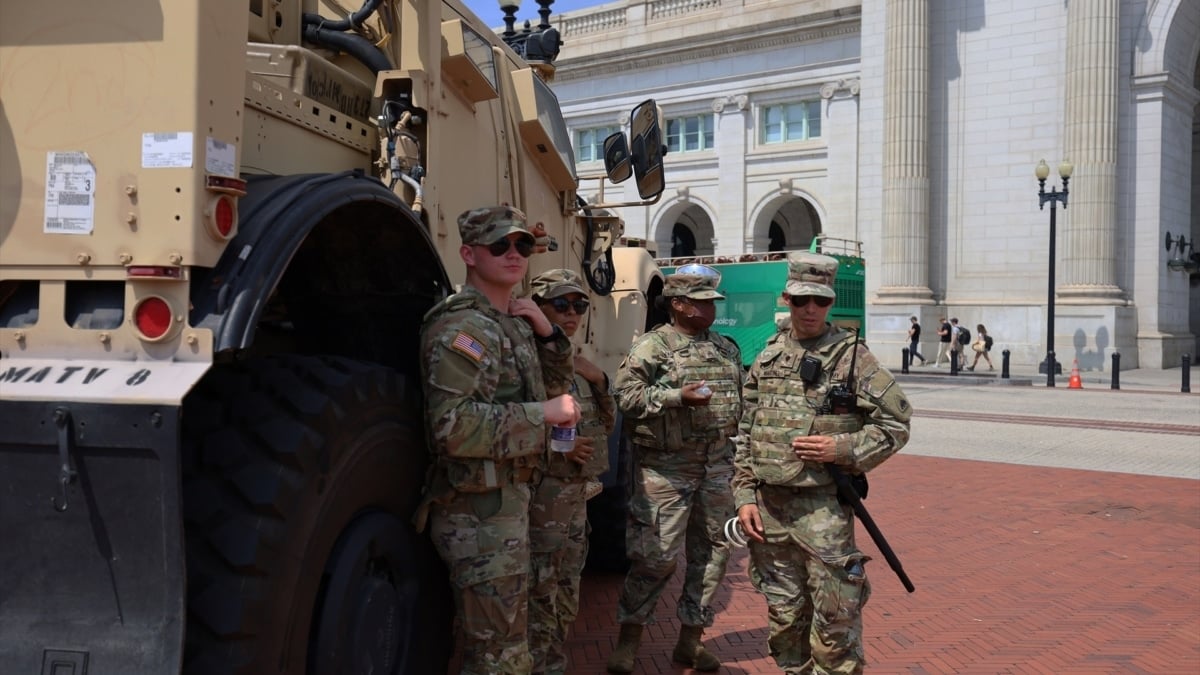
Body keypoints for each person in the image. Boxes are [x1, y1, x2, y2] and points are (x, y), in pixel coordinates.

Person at [415, 206, 581, 675]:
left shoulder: (508, 319)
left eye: (523, 245)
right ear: (469, 253)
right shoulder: (463, 328)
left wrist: (547, 334)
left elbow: (552, 385)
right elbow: (451, 427)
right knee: (499, 657)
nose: (514, 254)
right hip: (478, 511)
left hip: (508, 501)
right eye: (499, 245)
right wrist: (543, 415)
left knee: (507, 644)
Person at [732, 251, 912, 675]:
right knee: (784, 619)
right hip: (770, 513)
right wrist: (743, 496)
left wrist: (843, 450)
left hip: (823, 513)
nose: (810, 309)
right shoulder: (769, 353)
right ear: (786, 298)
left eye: (820, 301)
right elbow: (745, 429)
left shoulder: (851, 356)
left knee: (834, 624)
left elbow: (896, 423)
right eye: (800, 300)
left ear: (830, 302)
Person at [607, 268, 744, 673]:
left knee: (713, 555)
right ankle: (628, 641)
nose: (709, 307)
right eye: (701, 300)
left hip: (717, 466)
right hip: (667, 470)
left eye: (711, 301)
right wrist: (675, 397)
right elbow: (625, 394)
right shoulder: (653, 347)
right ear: (678, 304)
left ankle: (690, 641)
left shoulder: (725, 348)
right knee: (656, 558)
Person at [527, 269, 617, 675]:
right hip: (540, 503)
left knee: (566, 594)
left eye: (578, 306)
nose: (571, 314)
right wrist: (556, 445)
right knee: (537, 595)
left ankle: (552, 665)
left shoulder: (576, 363)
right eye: (560, 305)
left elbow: (605, 426)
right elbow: (499, 425)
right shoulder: (526, 361)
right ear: (539, 309)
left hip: (576, 503)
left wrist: (599, 379)